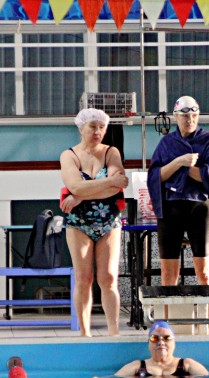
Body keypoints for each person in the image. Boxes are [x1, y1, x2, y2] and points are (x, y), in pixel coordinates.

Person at [60, 108, 129, 336]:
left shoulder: (111, 152)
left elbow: (118, 186)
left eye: (102, 127)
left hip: (109, 222)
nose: (98, 131)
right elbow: (75, 185)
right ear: (81, 128)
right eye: (93, 127)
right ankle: (84, 332)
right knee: (83, 278)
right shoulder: (69, 155)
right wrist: (106, 183)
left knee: (108, 278)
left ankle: (113, 332)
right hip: (78, 223)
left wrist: (80, 196)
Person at [147, 96, 209, 286]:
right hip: (171, 208)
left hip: (199, 207)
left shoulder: (208, 140)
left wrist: (186, 169)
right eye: (185, 116)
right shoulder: (166, 143)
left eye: (194, 116)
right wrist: (179, 162)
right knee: (168, 274)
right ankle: (168, 307)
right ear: (175, 116)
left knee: (205, 272)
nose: (190, 120)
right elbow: (155, 177)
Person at [113, 320, 209, 378]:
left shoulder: (187, 365)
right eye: (154, 338)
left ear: (174, 342)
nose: (161, 342)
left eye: (166, 338)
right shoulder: (137, 367)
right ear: (148, 343)